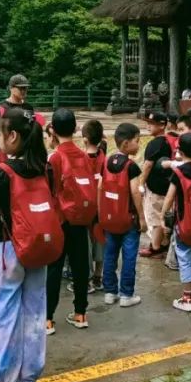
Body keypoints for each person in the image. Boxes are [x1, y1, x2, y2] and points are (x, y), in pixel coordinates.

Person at [0, 108, 55, 382]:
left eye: (1, 134)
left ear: (12, 136)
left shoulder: (1, 174)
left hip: (6, 250)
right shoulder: (45, 169)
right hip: (38, 249)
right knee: (34, 314)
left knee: (4, 318)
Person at [45, 108, 95, 333]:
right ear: (75, 128)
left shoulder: (55, 157)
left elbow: (49, 190)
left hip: (60, 219)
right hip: (81, 219)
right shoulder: (84, 156)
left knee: (54, 268)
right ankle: (80, 313)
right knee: (80, 266)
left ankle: (47, 319)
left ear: (52, 130)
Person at [100, 122, 147, 307]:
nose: (139, 145)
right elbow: (135, 192)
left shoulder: (107, 162)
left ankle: (110, 292)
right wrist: (142, 218)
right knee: (128, 256)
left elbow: (100, 187)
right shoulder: (131, 166)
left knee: (110, 255)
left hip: (110, 218)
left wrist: (101, 211)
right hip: (128, 220)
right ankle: (127, 294)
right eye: (137, 141)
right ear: (126, 143)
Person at [161, 131, 191, 312]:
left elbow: (169, 197)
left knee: (185, 259)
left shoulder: (178, 172)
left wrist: (163, 216)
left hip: (184, 224)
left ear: (180, 151)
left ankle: (187, 297)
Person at [138, 112, 173, 258]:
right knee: (163, 214)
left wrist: (141, 183)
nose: (148, 126)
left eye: (152, 123)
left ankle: (156, 247)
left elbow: (147, 165)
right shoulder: (167, 141)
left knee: (156, 218)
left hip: (155, 187)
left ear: (162, 125)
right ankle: (164, 243)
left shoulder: (154, 144)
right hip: (166, 185)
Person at [82, 119, 107, 291]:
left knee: (85, 245)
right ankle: (98, 277)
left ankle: (86, 278)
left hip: (85, 207)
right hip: (102, 207)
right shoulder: (104, 158)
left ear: (85, 139)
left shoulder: (81, 159)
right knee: (100, 241)